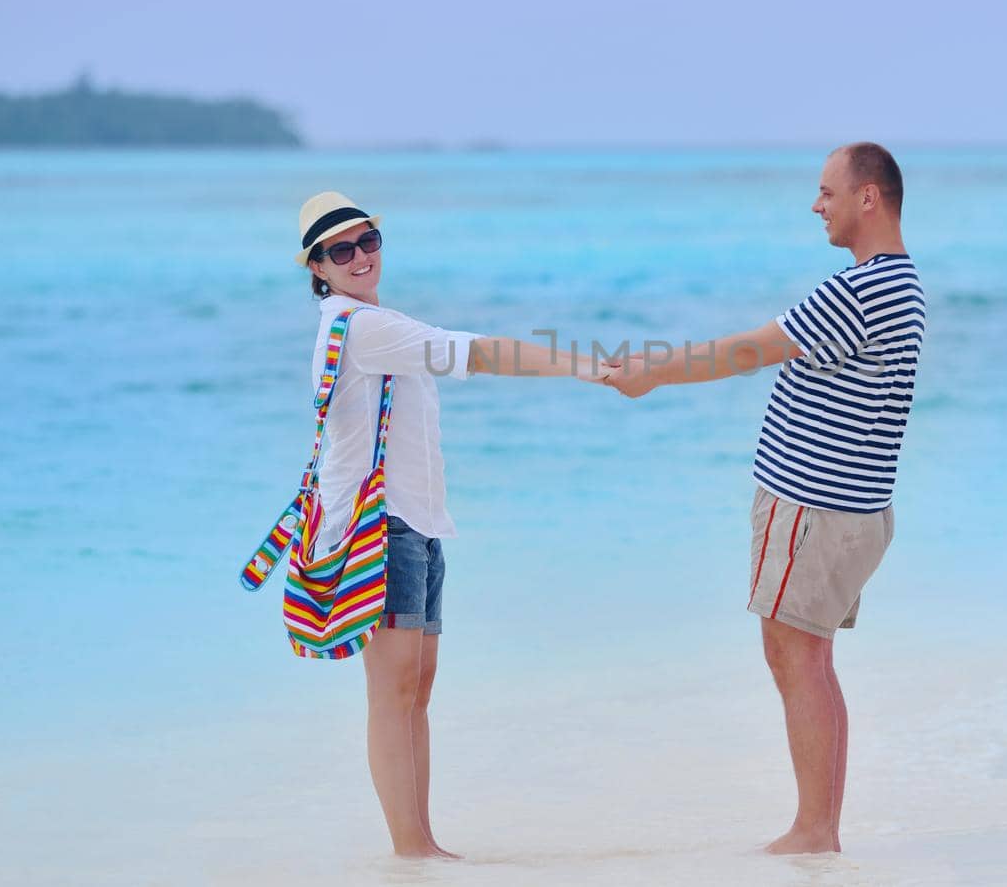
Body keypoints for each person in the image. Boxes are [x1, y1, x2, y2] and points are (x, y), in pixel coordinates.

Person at [603, 143, 925, 854]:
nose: (818, 206)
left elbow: (748, 350)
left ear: (868, 198)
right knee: (806, 658)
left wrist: (651, 374)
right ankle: (819, 827)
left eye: (827, 192)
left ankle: (814, 832)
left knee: (796, 658)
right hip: (853, 509)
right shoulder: (902, 285)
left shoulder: (860, 290)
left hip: (816, 509)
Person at [295, 191, 606, 860]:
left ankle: (422, 842)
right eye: (340, 250)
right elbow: (480, 352)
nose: (359, 257)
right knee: (394, 688)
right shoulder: (361, 325)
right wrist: (587, 368)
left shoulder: (371, 322)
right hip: (382, 529)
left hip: (415, 523)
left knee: (416, 685)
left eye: (368, 240)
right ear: (318, 267)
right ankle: (412, 849)